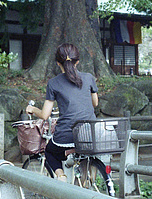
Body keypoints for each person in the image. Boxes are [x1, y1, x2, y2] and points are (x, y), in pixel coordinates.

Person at [26, 43, 98, 181]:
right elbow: (95, 103)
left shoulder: (53, 83)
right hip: (91, 133)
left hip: (67, 135)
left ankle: (61, 176)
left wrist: (33, 109)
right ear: (78, 61)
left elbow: (45, 115)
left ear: (58, 63)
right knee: (82, 153)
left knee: (49, 151)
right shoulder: (89, 77)